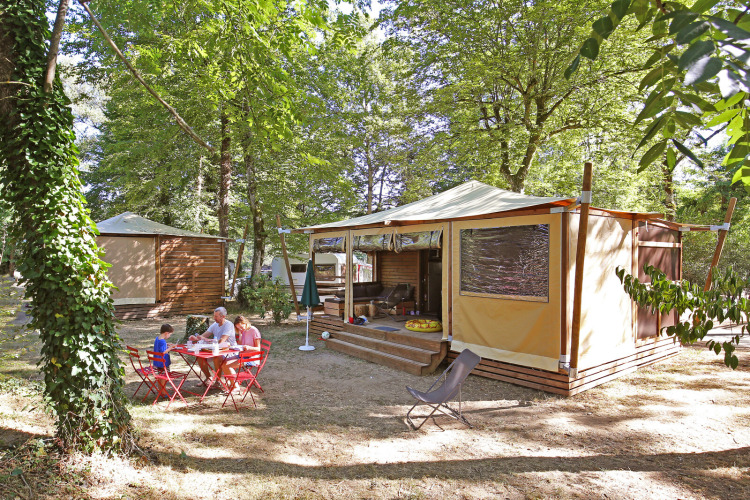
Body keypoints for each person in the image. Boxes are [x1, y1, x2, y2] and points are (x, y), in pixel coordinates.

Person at [189, 306, 236, 385]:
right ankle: (209, 378)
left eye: (216, 316)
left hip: (229, 350)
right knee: (200, 358)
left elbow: (221, 340)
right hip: (215, 349)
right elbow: (204, 335)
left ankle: (218, 380)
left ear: (223, 316)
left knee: (216, 357)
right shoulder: (215, 324)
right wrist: (196, 338)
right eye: (214, 316)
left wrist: (207, 340)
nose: (214, 318)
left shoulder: (229, 325)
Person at [153, 323, 176, 397]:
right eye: (170, 334)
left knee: (160, 376)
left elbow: (160, 347)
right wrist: (171, 347)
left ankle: (160, 391)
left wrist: (167, 344)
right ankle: (164, 393)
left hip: (157, 362)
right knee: (164, 377)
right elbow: (163, 351)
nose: (169, 336)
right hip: (163, 362)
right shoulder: (163, 341)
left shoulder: (158, 338)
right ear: (166, 333)